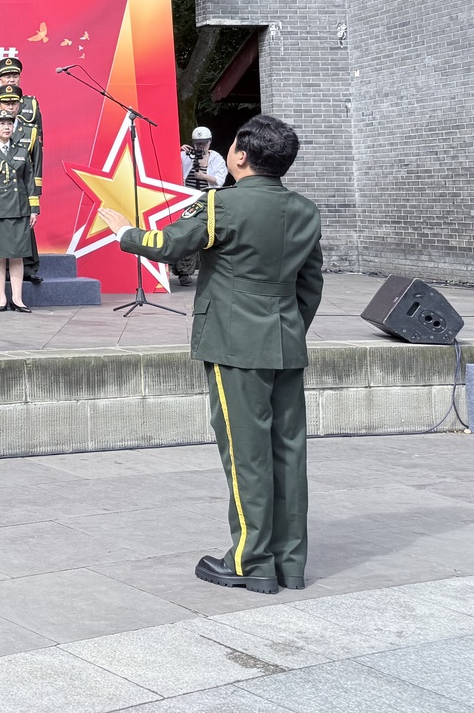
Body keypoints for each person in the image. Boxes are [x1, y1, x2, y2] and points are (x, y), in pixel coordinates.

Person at [100, 113, 323, 595]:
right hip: (285, 342)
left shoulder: (222, 204)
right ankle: (289, 562)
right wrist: (284, 330)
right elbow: (310, 286)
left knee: (246, 455)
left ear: (240, 156)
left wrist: (124, 232)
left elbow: (168, 243)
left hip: (235, 342)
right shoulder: (305, 211)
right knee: (288, 453)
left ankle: (250, 561)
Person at [0, 108, 39, 311]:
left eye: (10, 123)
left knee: (18, 255)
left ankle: (17, 298)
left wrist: (34, 209)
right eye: (2, 124)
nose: (6, 127)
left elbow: (29, 182)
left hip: (19, 209)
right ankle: (1, 298)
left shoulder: (22, 151)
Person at [0, 82, 44, 285]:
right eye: (6, 103)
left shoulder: (30, 130)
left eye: (14, 103)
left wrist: (35, 193)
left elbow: (36, 162)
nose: (11, 106)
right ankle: (3, 270)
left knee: (26, 231)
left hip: (22, 189)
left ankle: (29, 268)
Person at [176, 127, 231, 286]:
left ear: (209, 142)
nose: (200, 146)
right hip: (187, 200)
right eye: (197, 143)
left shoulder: (216, 158)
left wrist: (203, 175)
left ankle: (213, 271)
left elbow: (220, 180)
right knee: (187, 234)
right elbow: (170, 166)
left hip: (207, 200)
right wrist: (178, 150)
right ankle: (184, 271)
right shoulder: (185, 155)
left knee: (208, 234)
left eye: (203, 143)